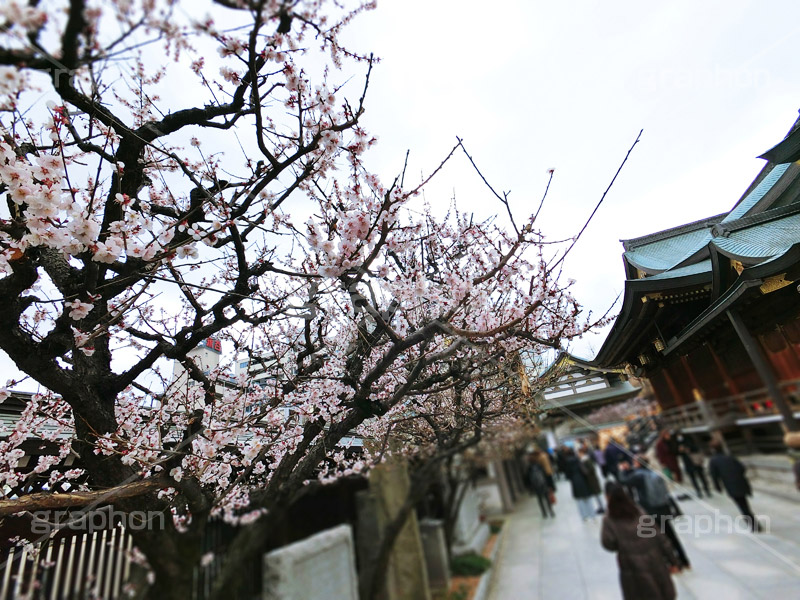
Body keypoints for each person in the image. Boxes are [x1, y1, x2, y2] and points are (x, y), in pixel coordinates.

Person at [601, 481, 679, 600]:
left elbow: (608, 544)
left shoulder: (609, 519)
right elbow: (661, 538)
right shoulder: (639, 512)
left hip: (633, 570)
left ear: (607, 497)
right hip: (655, 563)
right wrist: (673, 561)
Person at [619, 457, 690, 570]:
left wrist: (622, 470)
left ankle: (672, 563)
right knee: (671, 535)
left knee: (659, 539)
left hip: (651, 510)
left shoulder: (638, 476)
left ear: (638, 464)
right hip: (663, 507)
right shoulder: (653, 473)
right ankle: (684, 560)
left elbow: (623, 482)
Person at [708, 442, 760, 531]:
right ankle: (754, 523)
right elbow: (742, 468)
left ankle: (754, 525)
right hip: (741, 482)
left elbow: (714, 475)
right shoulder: (730, 457)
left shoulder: (713, 460)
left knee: (742, 505)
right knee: (744, 504)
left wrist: (717, 486)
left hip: (730, 484)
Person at [563, 447, 595, 521]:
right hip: (583, 480)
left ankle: (584, 516)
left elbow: (567, 474)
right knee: (587, 498)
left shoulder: (567, 461)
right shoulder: (578, 460)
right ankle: (592, 514)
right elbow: (583, 470)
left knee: (579, 500)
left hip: (574, 481)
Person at [676, 433, 711, 498]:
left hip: (695, 461)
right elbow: (677, 452)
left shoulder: (688, 439)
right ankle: (698, 491)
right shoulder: (677, 442)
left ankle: (706, 490)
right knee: (693, 478)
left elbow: (695, 448)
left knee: (701, 476)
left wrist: (687, 448)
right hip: (688, 462)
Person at [528, 452, 556, 518]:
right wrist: (549, 484)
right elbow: (545, 475)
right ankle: (551, 511)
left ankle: (544, 513)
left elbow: (528, 479)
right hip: (543, 484)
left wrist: (531, 488)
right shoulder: (539, 466)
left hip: (536, 487)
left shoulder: (529, 468)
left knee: (540, 500)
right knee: (547, 498)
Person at [579, 446, 605, 513]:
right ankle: (601, 507)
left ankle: (602, 507)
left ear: (582, 453)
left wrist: (584, 470)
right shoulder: (584, 460)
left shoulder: (586, 460)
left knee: (597, 494)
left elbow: (591, 469)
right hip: (591, 480)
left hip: (593, 480)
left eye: (579, 453)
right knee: (596, 494)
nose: (578, 455)